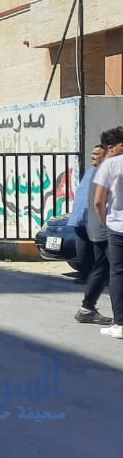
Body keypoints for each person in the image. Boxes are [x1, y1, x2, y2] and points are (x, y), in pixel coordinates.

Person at [75, 139, 115, 325]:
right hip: (105, 228)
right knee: (110, 269)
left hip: (98, 227)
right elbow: (99, 202)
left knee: (102, 268)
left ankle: (87, 308)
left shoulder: (97, 171)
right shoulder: (105, 170)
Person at [95, 128, 123, 341]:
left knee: (118, 274)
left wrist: (105, 221)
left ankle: (120, 324)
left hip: (118, 227)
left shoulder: (109, 165)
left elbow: (99, 200)